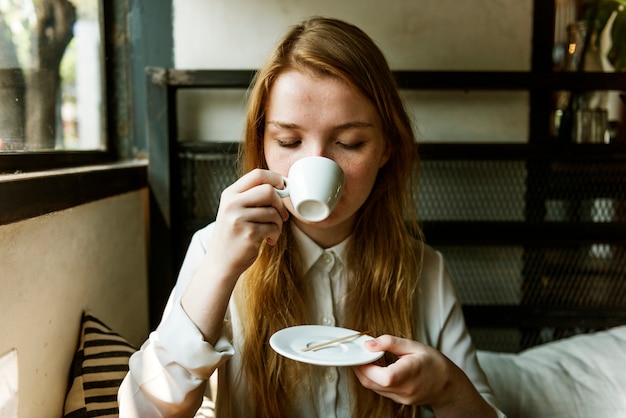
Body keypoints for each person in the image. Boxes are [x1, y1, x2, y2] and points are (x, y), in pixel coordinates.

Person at [119, 16, 506, 418]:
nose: (316, 163)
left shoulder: (425, 271)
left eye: (349, 143)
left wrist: (444, 387)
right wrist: (219, 267)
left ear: (386, 149)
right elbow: (143, 412)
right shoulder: (215, 249)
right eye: (289, 141)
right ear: (262, 143)